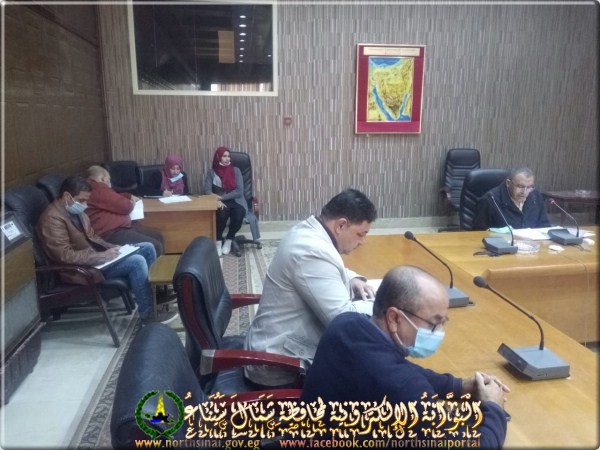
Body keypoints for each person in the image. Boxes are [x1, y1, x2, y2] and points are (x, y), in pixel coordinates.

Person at [301, 265, 510, 448]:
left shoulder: (346, 323)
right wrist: (493, 407)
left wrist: (459, 386)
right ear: (394, 318)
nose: (441, 331)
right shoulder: (402, 388)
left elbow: (402, 368)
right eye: (434, 323)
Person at [244, 188, 377, 388]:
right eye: (360, 234)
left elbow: (327, 269)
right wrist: (384, 303)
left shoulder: (309, 231)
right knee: (369, 373)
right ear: (341, 225)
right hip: (279, 365)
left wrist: (354, 279)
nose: (362, 242)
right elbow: (343, 320)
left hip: (276, 343)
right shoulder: (311, 250)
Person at [37, 176, 176, 325]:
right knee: (137, 261)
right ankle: (147, 315)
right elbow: (64, 255)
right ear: (67, 196)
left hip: (95, 260)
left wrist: (111, 247)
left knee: (147, 247)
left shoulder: (77, 212)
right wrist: (101, 256)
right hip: (80, 270)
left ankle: (157, 301)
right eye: (82, 200)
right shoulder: (52, 219)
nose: (85, 205)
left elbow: (93, 237)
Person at [86, 165, 165, 256]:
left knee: (158, 235)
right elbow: (126, 207)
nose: (109, 183)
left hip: (121, 229)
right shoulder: (98, 188)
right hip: (111, 233)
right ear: (103, 179)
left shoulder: (94, 188)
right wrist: (131, 203)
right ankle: (151, 265)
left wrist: (128, 196)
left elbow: (113, 197)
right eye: (108, 179)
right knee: (155, 246)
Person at [473, 166, 551, 230]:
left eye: (529, 187)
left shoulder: (535, 196)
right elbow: (478, 234)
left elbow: (544, 226)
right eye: (520, 186)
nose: (524, 192)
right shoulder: (490, 200)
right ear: (508, 183)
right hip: (502, 243)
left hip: (532, 243)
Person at [203, 146, 247, 256]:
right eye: (224, 156)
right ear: (218, 157)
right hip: (219, 202)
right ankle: (218, 241)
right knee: (221, 215)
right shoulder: (211, 172)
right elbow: (207, 191)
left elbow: (239, 191)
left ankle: (229, 239)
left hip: (235, 200)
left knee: (239, 215)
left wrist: (221, 198)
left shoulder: (235, 170)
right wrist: (216, 200)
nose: (227, 159)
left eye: (228, 156)